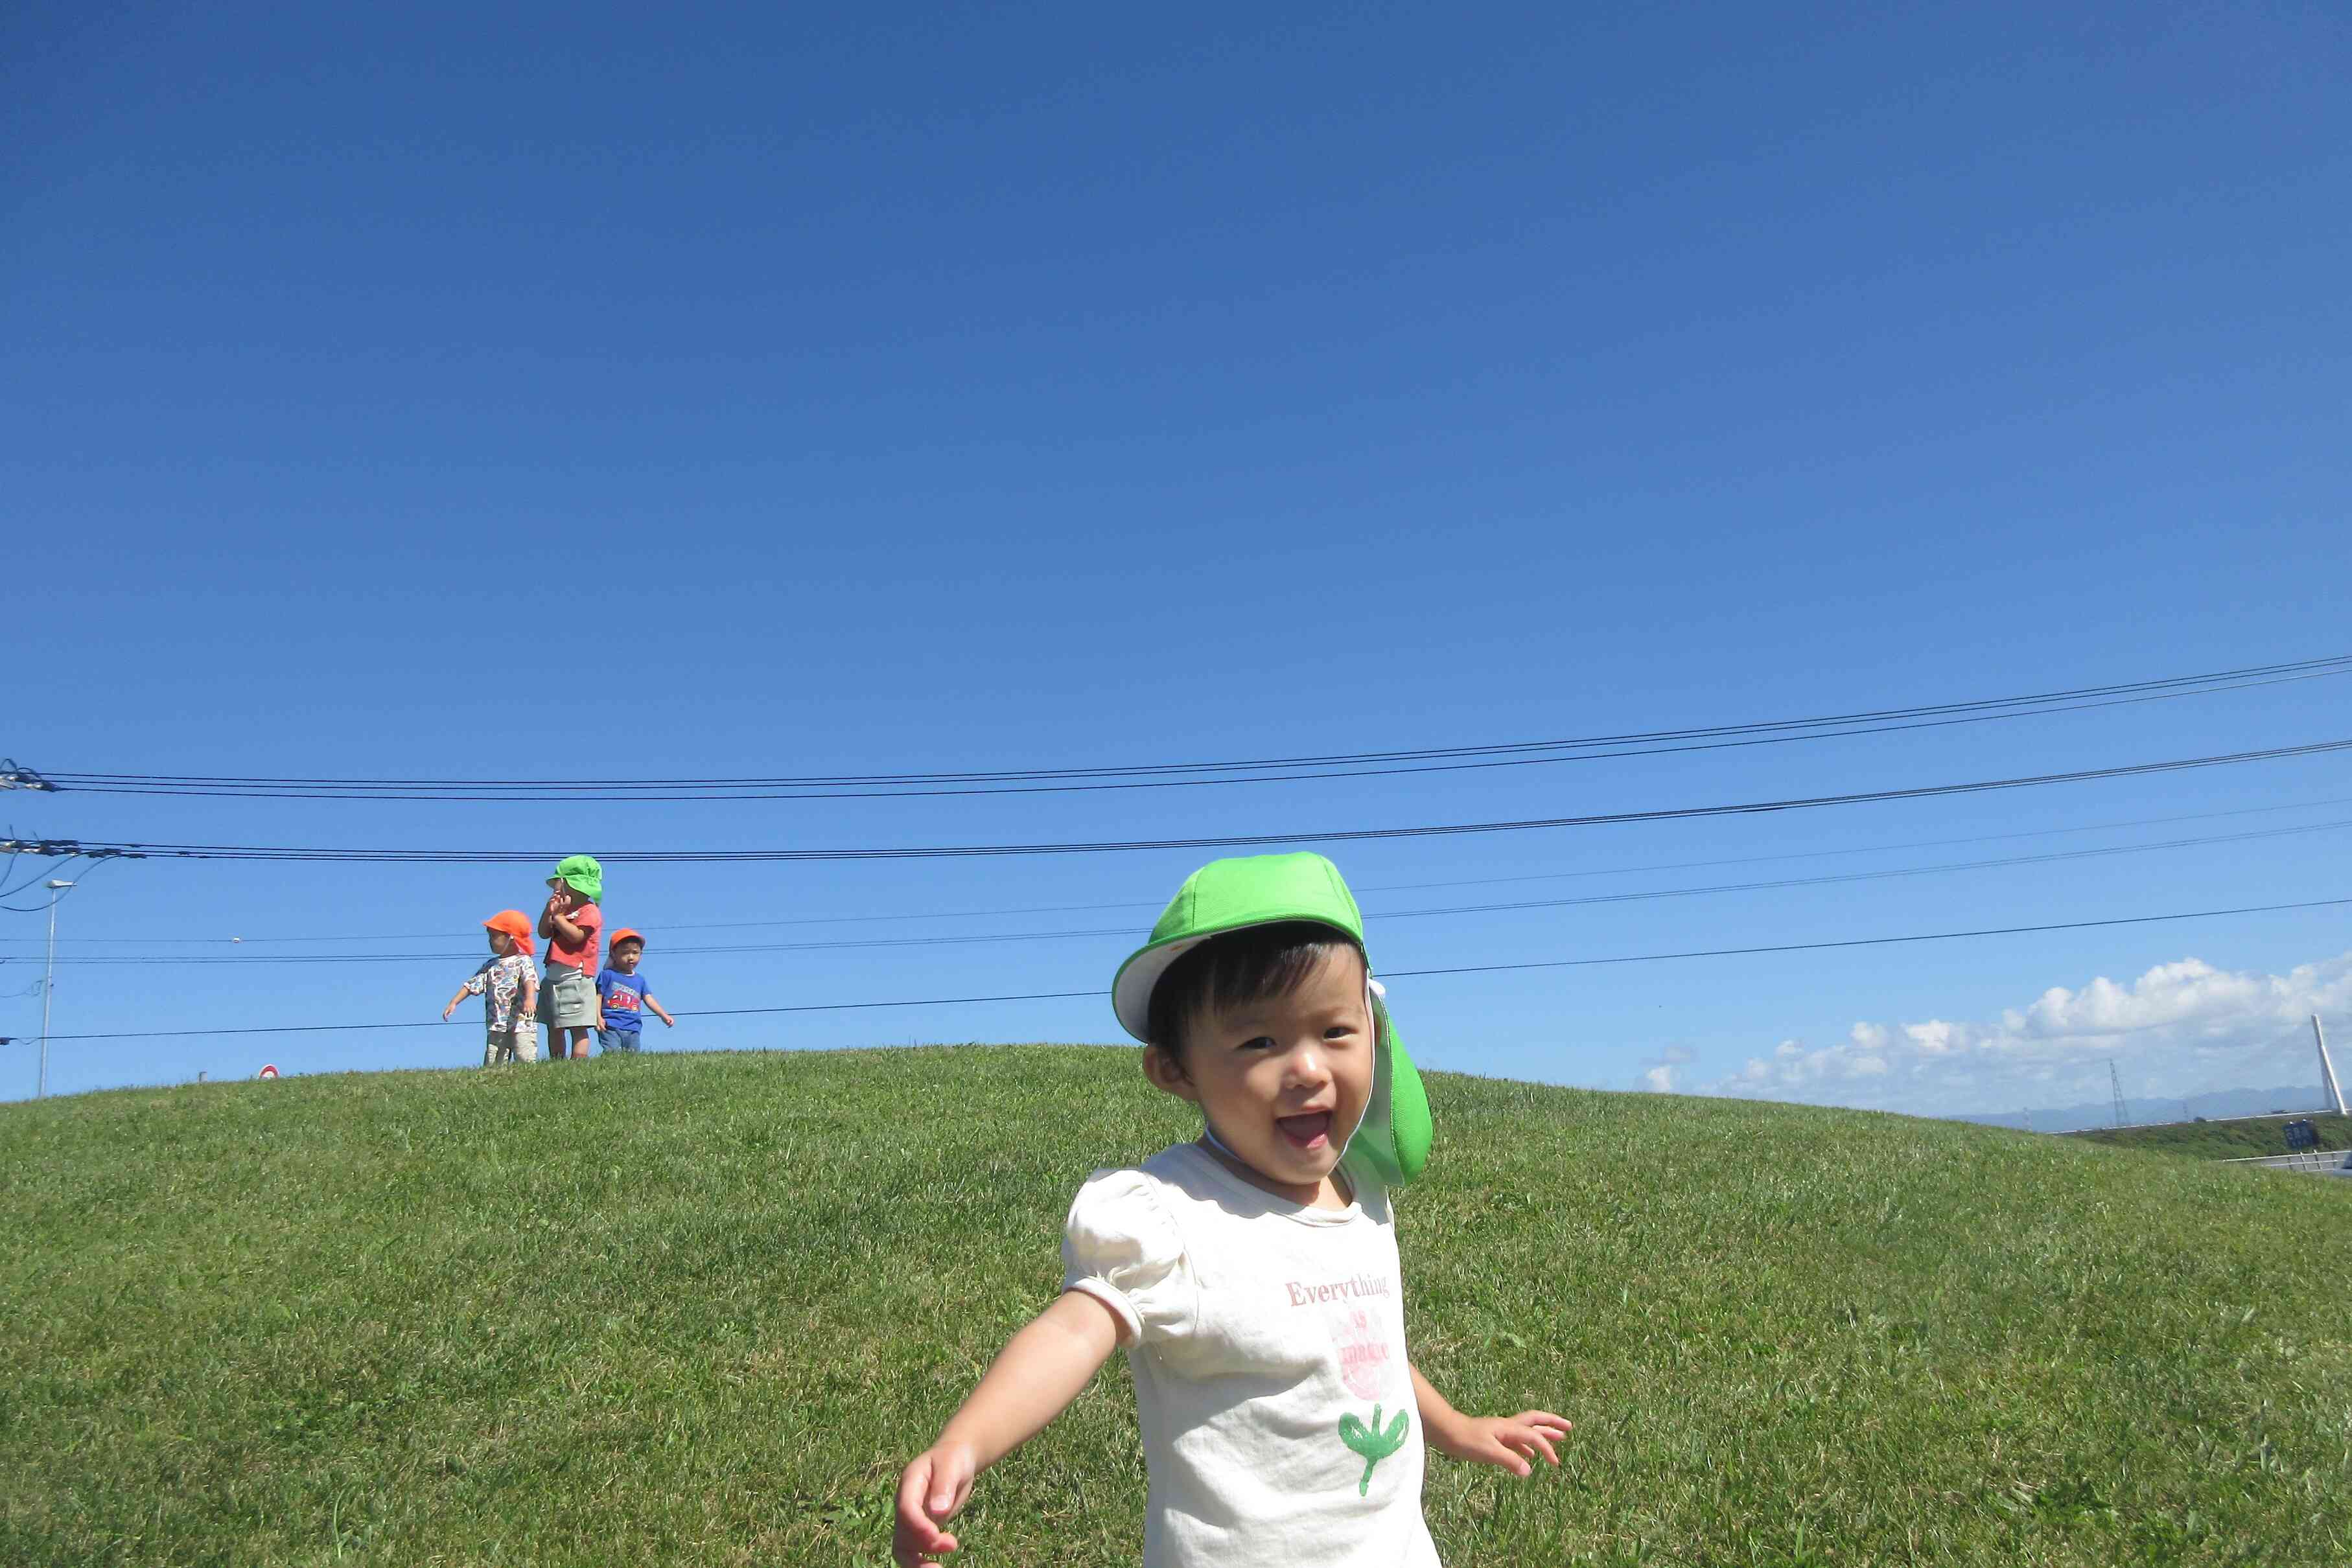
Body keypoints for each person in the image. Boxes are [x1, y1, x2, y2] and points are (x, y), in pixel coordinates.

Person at [893, 851, 1568, 1567]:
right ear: (1175, 1069)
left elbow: (1363, 1353)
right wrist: (965, 1440)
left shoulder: (1361, 1193)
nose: (1307, 1067)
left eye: (1335, 1031)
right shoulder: (1170, 1217)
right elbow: (1070, 1333)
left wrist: (1454, 1426)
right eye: (1259, 1041)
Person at [441, 910, 541, 1065]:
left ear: (512, 937)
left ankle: (529, 1077)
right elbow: (472, 984)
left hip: (521, 1022)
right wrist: (454, 1002)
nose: (490, 941)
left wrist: (530, 999)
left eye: (494, 936)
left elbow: (530, 980)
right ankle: (495, 1079)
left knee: (524, 1054)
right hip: (496, 1023)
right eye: (490, 936)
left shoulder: (523, 961)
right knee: (495, 1060)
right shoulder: (490, 966)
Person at [536, 855, 605, 1061]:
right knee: (554, 1026)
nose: (556, 888)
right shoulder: (562, 910)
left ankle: (578, 1061)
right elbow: (543, 933)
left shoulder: (589, 911)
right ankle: (557, 1060)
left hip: (576, 977)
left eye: (560, 883)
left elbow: (577, 937)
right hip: (554, 978)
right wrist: (550, 912)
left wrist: (558, 918)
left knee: (578, 1025)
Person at [595, 929, 675, 1053]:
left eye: (635, 953)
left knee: (632, 1058)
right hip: (610, 1024)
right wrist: (598, 1017)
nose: (631, 958)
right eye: (625, 953)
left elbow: (649, 999)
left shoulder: (639, 980)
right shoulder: (607, 975)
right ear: (613, 954)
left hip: (633, 1026)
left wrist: (663, 1015)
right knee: (612, 1054)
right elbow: (598, 997)